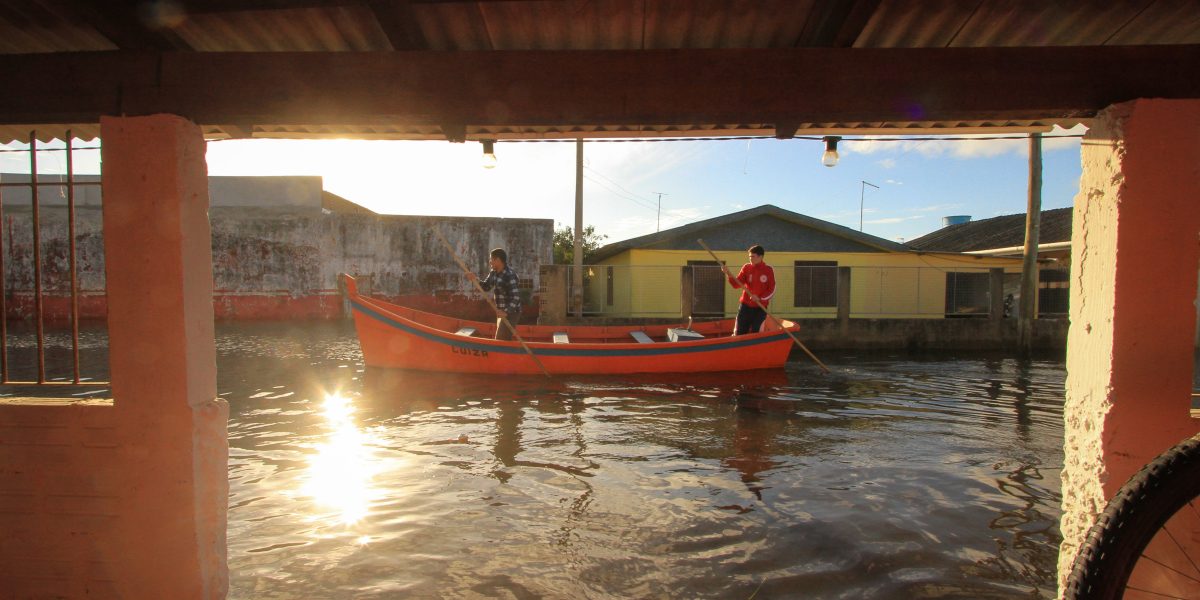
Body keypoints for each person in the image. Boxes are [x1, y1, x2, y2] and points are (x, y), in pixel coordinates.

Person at [470, 248, 522, 340]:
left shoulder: (509, 275)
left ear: (497, 260)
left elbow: (516, 297)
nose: (490, 262)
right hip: (501, 312)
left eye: (491, 259)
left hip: (511, 313)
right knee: (501, 339)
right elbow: (486, 287)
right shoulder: (493, 273)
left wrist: (505, 311)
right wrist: (475, 279)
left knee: (501, 339)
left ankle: (505, 353)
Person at [727, 244, 775, 335]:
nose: (750, 259)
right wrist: (729, 274)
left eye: (753, 256)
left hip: (760, 308)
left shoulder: (768, 270)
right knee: (739, 332)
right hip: (745, 306)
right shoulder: (746, 267)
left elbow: (772, 289)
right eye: (749, 256)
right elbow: (737, 285)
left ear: (760, 257)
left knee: (757, 333)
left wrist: (760, 298)